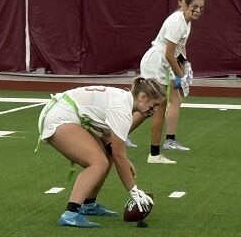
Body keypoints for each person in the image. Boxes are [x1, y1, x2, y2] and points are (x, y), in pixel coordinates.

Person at [37, 78, 164, 227]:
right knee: (98, 162)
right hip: (59, 117)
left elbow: (108, 141)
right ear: (142, 97)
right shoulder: (122, 109)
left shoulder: (123, 101)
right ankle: (70, 213)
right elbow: (119, 155)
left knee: (106, 157)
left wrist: (124, 160)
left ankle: (88, 204)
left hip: (65, 112)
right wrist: (134, 191)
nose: (155, 110)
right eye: (154, 105)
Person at [140, 0, 205, 164]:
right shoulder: (177, 22)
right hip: (156, 62)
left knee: (152, 107)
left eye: (201, 8)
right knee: (154, 107)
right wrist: (181, 75)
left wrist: (186, 65)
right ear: (184, 6)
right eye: (195, 7)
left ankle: (151, 152)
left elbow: (177, 51)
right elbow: (169, 53)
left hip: (161, 63)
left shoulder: (186, 21)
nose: (198, 11)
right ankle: (153, 154)